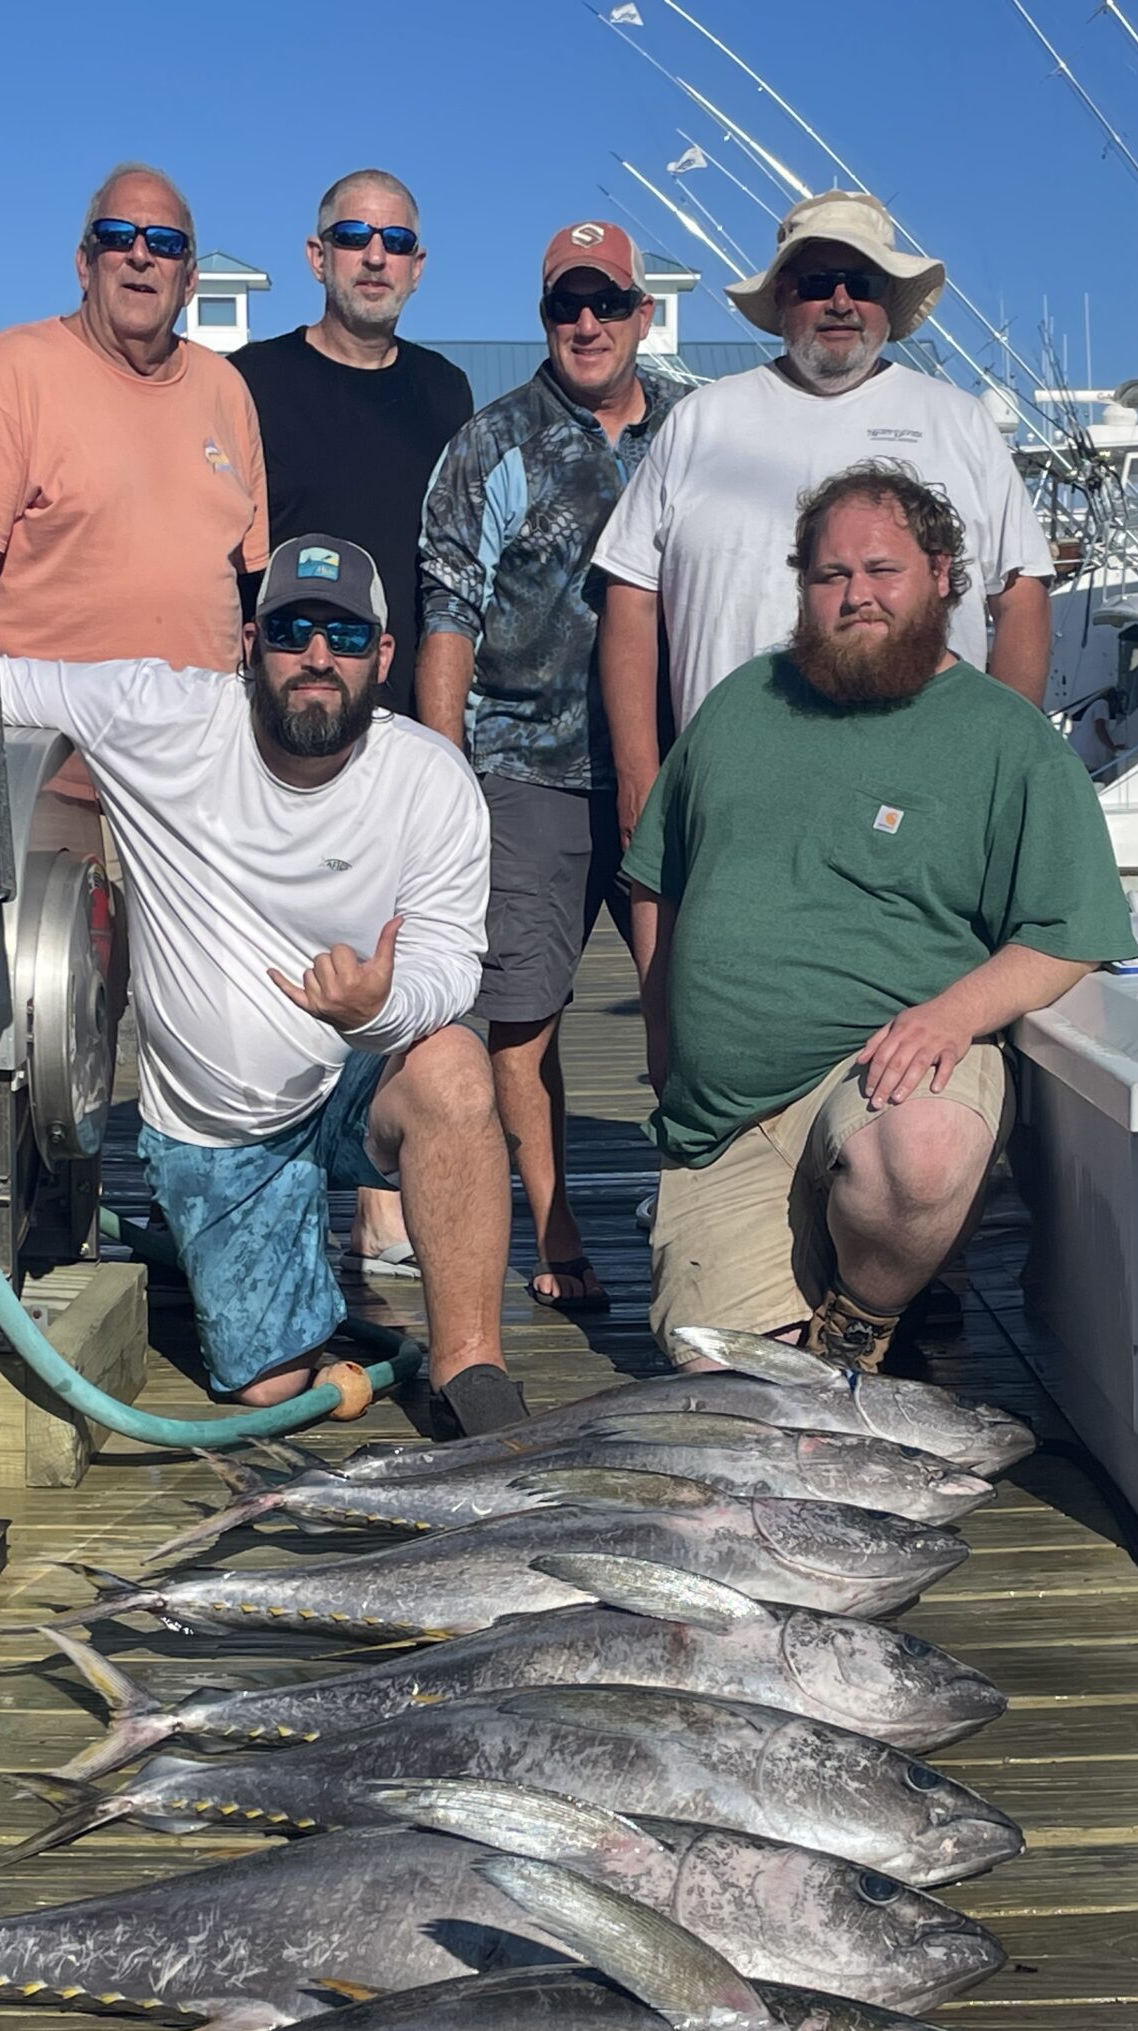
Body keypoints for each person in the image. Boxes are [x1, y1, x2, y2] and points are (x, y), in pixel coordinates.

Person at [0, 537, 526, 1440]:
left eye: (347, 635)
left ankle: (472, 1371)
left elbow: (448, 959)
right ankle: (243, 1259)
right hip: (220, 1128)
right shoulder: (160, 714)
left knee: (455, 1065)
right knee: (270, 1386)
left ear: (383, 657)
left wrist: (378, 1011)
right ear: (250, 645)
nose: (319, 656)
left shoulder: (429, 777)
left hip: (355, 1075)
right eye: (293, 629)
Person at [626, 463, 1136, 1374]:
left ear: (943, 574)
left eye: (882, 569)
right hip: (726, 1120)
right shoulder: (744, 700)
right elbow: (656, 877)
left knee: (923, 1152)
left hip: (884, 1077)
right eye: (830, 576)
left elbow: (1071, 934)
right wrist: (663, 1030)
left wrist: (951, 1016)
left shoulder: (1005, 738)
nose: (856, 595)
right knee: (731, 1387)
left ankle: (860, 1323)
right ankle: (807, 1316)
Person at [595, 189, 1054, 851]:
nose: (840, 300)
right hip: (729, 806)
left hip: (923, 810)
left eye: (860, 282)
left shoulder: (960, 422)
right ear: (783, 295)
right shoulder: (701, 420)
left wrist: (1010, 770)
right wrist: (641, 776)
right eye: (817, 282)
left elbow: (1021, 596)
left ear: (887, 301)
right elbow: (632, 595)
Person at [419, 220, 682, 1314]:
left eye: (606, 303)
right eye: (564, 305)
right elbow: (449, 610)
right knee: (523, 1014)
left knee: (691, 1001)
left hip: (672, 767)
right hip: (527, 765)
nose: (586, 323)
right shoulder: (494, 441)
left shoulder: (694, 426)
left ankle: (693, 1200)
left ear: (642, 313)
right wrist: (440, 780)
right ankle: (557, 1217)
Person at [232, 171, 473, 1283]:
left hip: (398, 717)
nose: (375, 256)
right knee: (257, 951)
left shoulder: (444, 389)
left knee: (391, 951)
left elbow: (452, 572)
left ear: (418, 266)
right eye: (353, 237)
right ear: (316, 253)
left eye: (396, 241)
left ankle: (381, 1202)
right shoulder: (252, 382)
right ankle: (251, 1172)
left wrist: (442, 725)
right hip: (277, 707)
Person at [0, 162, 268, 906]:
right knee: (48, 1011)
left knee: (196, 1014)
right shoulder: (9, 373)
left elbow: (249, 589)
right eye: (118, 236)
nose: (141, 254)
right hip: (48, 780)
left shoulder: (226, 391)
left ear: (190, 278)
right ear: (85, 262)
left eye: (166, 242)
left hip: (195, 788)